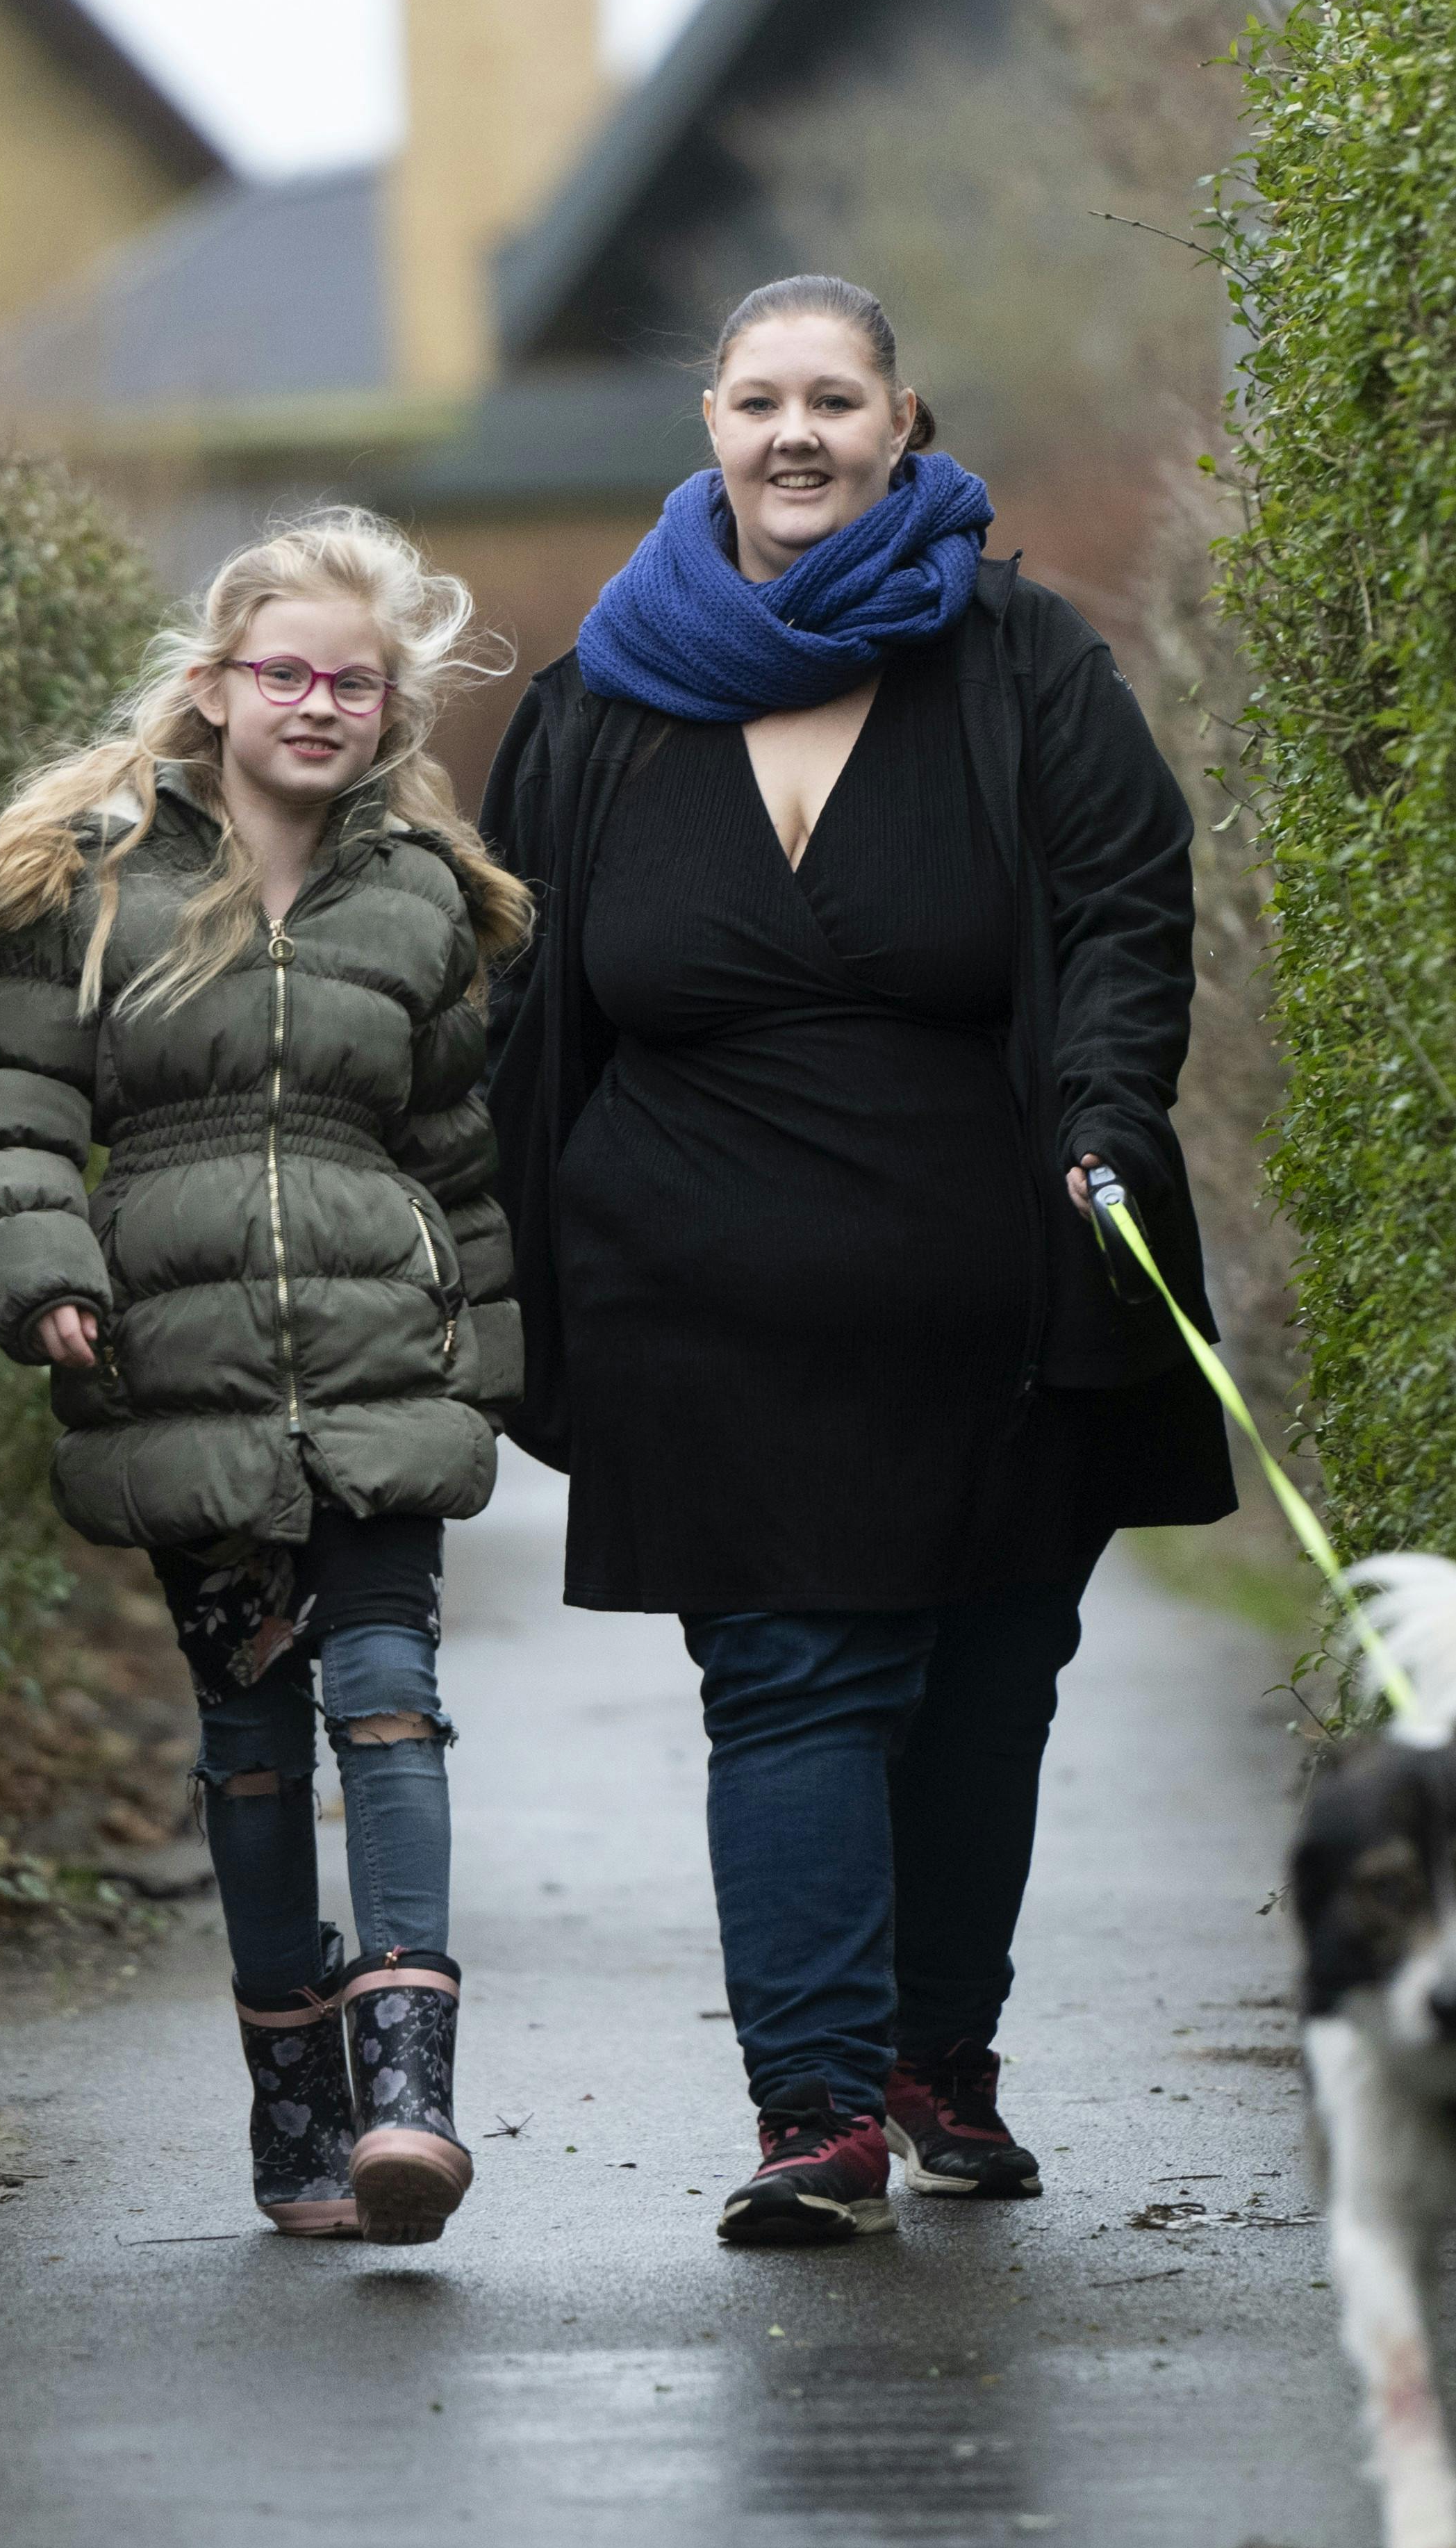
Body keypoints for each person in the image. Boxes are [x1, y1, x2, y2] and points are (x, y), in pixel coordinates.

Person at [481, 275, 1236, 2248]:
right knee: (795, 1676)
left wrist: (1105, 1121)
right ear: (710, 427)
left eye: (835, 398)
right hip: (696, 1302)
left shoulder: (1023, 666)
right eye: (757, 400)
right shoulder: (600, 702)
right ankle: (814, 2110)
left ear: (908, 421)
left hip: (992, 1295)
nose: (794, 433)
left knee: (986, 1684)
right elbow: (512, 992)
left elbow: (1125, 912)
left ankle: (937, 2064)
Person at [0, 511, 527, 2247]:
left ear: (391, 709)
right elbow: (10, 1112)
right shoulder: (89, 886)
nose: (318, 704)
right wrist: (41, 1272)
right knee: (252, 1742)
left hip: (380, 1364)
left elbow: (459, 1156)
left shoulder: (420, 902)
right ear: (218, 685)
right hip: (179, 1364)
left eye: (355, 682)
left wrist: (485, 1355)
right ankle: (294, 2116)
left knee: (387, 1698)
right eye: (288, 674)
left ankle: (411, 2094)